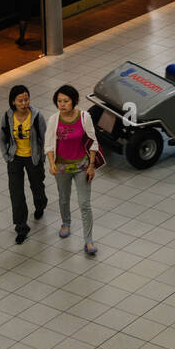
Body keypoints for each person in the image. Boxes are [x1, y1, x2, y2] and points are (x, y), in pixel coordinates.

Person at [45, 85, 100, 255]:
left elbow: (93, 142)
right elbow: (48, 144)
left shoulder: (85, 117)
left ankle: (88, 240)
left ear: (74, 101)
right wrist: (51, 163)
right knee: (63, 197)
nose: (62, 104)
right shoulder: (54, 120)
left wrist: (91, 166)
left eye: (66, 101)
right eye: (59, 101)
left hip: (82, 166)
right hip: (61, 167)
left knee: (84, 203)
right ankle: (66, 222)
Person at [0, 85, 48, 245]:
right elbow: (2, 137)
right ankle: (21, 227)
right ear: (13, 102)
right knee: (16, 193)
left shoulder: (36, 116)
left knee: (37, 186)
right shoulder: (7, 116)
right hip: (15, 159)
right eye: (20, 100)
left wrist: (43, 156)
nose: (24, 103)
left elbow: (44, 138)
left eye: (26, 99)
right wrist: (6, 156)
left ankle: (40, 204)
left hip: (33, 158)